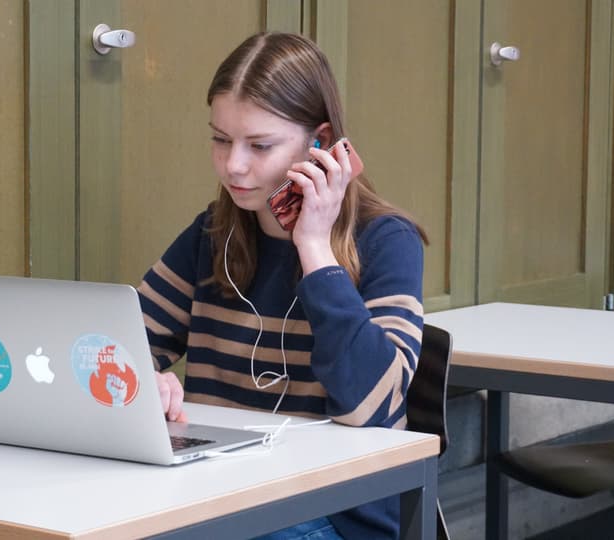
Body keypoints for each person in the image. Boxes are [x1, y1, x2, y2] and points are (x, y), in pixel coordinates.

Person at [137, 31, 428, 540]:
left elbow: (372, 408)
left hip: (336, 511)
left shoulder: (387, 242)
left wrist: (314, 248)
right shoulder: (214, 235)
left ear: (319, 142)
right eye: (221, 139)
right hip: (218, 496)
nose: (234, 165)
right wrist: (143, 377)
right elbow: (124, 342)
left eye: (260, 145)